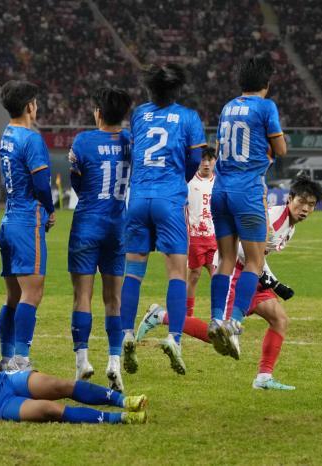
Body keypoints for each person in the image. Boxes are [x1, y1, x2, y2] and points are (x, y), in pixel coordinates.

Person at [137, 178, 322, 390]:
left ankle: (263, 378)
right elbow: (244, 251)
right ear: (290, 199)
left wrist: (273, 282)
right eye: (302, 202)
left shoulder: (289, 226)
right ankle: (161, 316)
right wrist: (271, 281)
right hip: (234, 272)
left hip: (250, 275)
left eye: (311, 205)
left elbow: (258, 257)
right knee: (219, 335)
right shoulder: (272, 218)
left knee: (279, 319)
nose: (305, 208)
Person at [120, 64, 207, 375]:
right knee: (176, 274)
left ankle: (126, 333)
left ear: (150, 90)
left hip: (138, 198)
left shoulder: (139, 115)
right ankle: (173, 338)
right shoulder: (188, 117)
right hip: (169, 199)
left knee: (133, 272)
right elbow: (195, 159)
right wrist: (179, 179)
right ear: (178, 90)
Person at [0, 316, 147, 426]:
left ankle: (124, 401)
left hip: (3, 382)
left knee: (59, 385)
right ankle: (121, 419)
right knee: (50, 410)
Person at [209, 54, 287, 360]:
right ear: (266, 84)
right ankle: (235, 321)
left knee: (226, 259)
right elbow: (281, 149)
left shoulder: (227, 107)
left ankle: (216, 318)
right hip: (247, 190)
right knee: (255, 260)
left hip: (220, 189)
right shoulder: (266, 107)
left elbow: (220, 147)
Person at [67, 87, 132, 390]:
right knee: (114, 299)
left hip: (87, 223)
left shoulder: (83, 141)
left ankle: (82, 361)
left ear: (98, 113)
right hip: (117, 225)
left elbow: (76, 181)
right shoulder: (130, 141)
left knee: (82, 296)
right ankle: (114, 363)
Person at [0, 81, 56, 372]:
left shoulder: (7, 135)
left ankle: (6, 357)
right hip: (26, 221)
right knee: (32, 293)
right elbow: (41, 184)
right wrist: (51, 209)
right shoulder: (31, 139)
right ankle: (20, 360)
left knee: (13, 296)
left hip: (8, 221)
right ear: (30, 105)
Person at [186, 147, 218, 317]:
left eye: (209, 160)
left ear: (215, 161)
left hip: (215, 238)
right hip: (195, 238)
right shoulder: (190, 183)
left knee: (218, 276)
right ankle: (188, 314)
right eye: (203, 160)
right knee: (194, 275)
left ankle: (218, 315)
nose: (206, 163)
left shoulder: (219, 183)